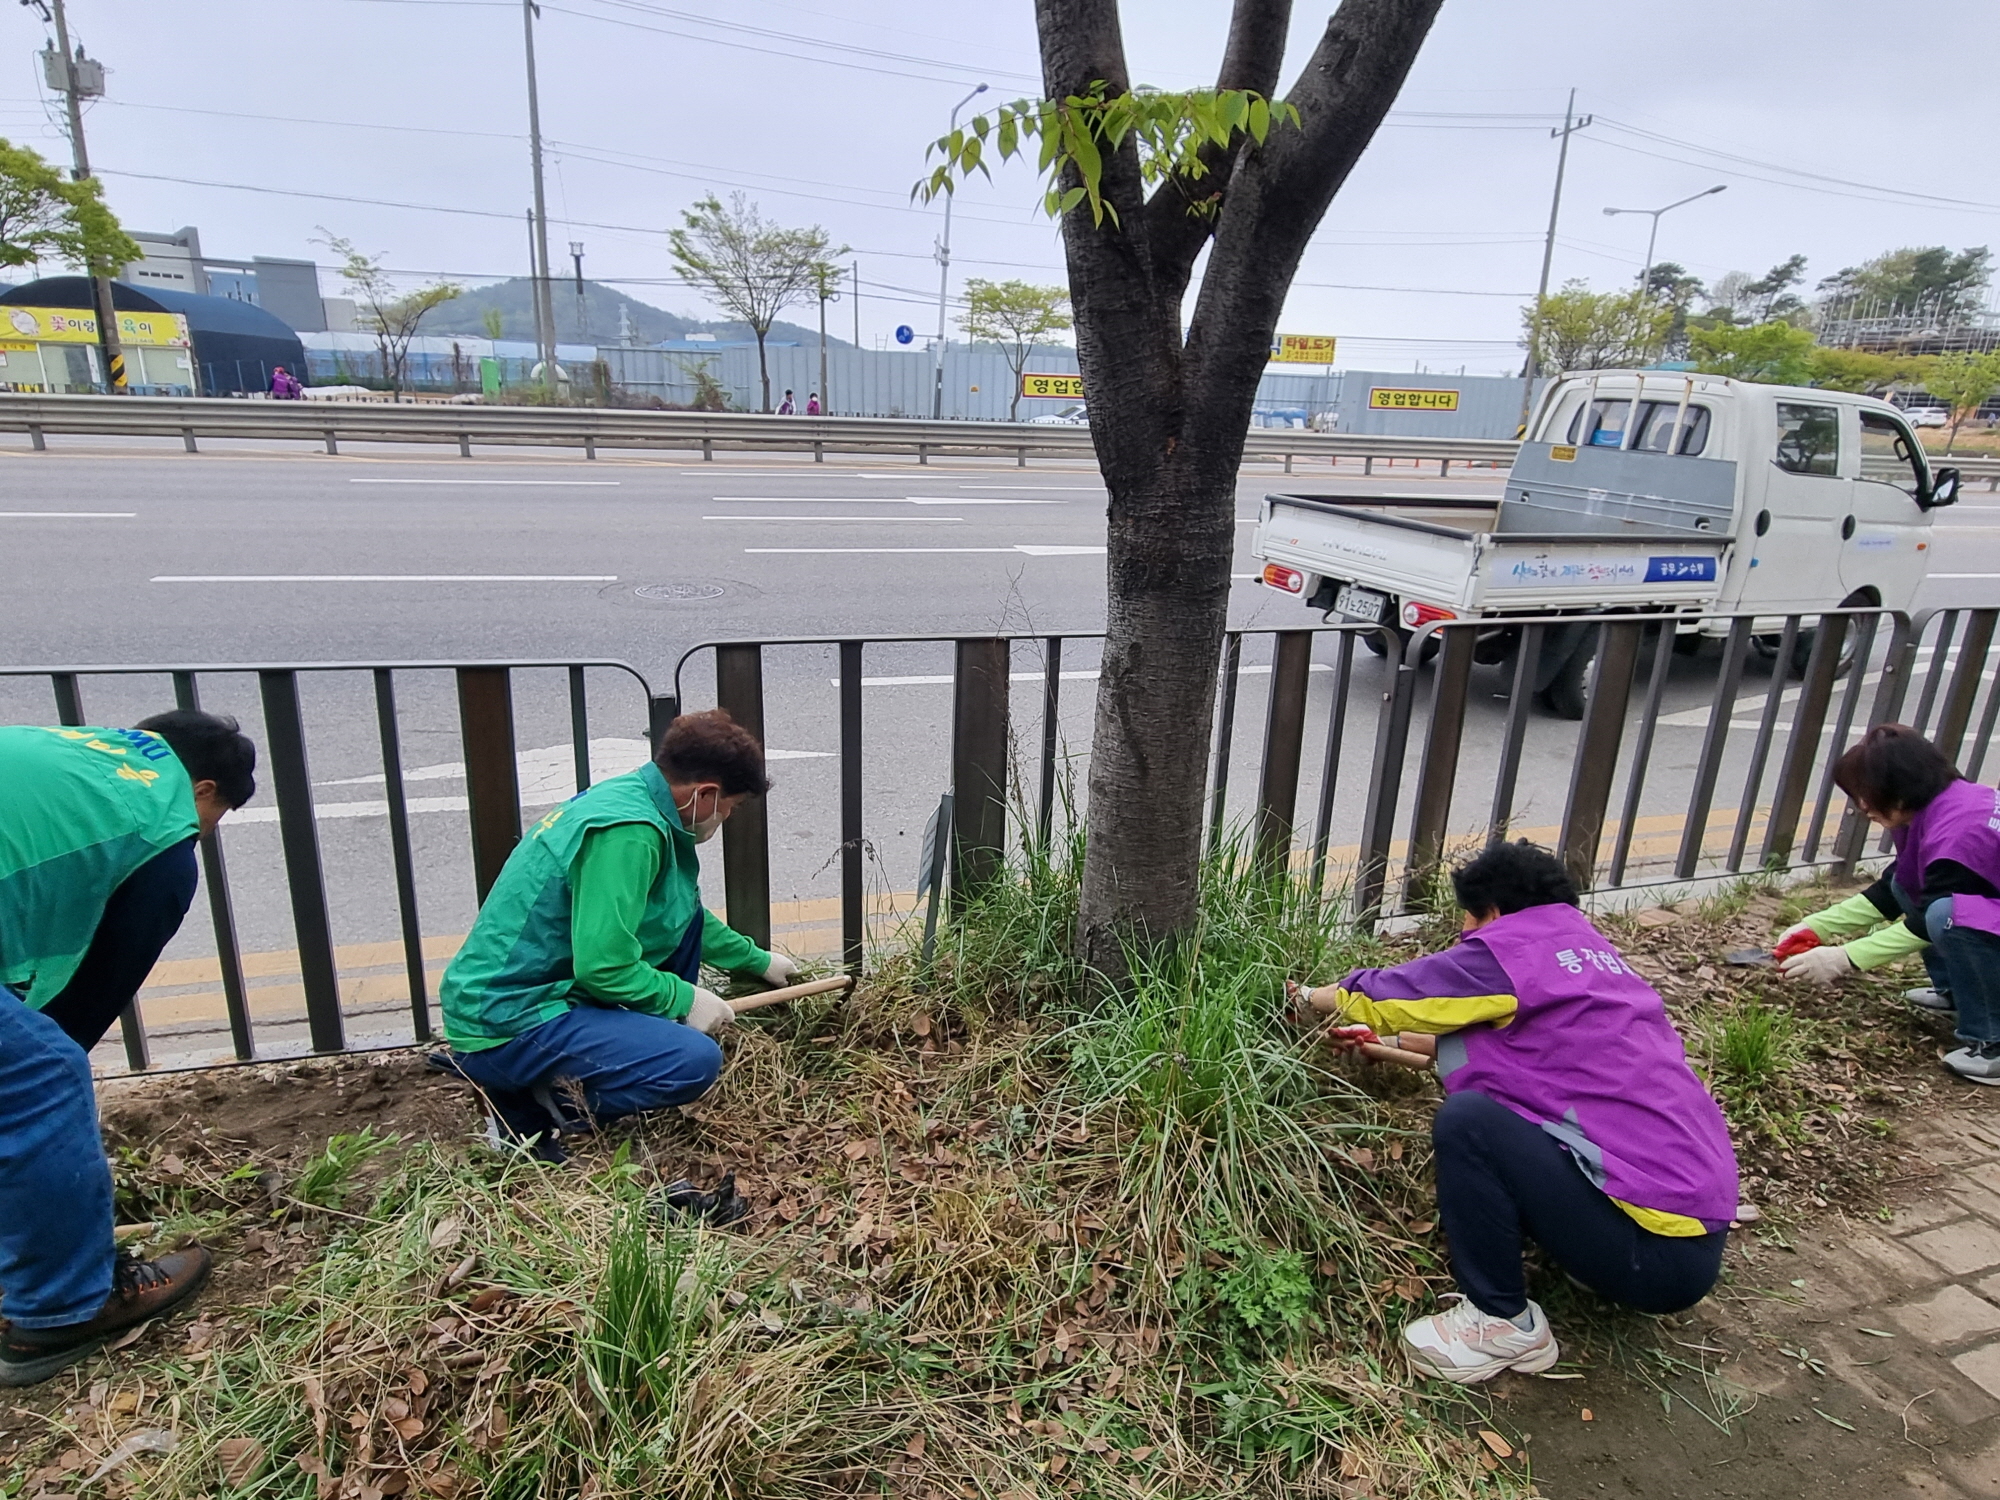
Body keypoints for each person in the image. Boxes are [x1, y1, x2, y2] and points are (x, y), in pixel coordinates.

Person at [1289, 841, 1738, 1384]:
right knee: (1497, 1117)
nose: (1466, 938)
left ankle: (1502, 1322)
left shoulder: (1511, 951)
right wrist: (1378, 1044)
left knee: (1471, 1121)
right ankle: (1585, 1260)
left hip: (1651, 1253)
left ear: (1493, 912)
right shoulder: (1591, 962)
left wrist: (1304, 997)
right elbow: (1511, 1052)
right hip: (1684, 1242)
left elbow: (1392, 994)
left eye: (1468, 924)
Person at [0, 712, 259, 1387]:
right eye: (217, 817)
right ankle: (61, 1309)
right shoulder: (161, 829)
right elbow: (80, 1012)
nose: (204, 834)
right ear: (203, 790)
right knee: (43, 1074)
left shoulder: (81, 756)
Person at [437, 709, 798, 1162]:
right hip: (509, 1017)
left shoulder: (638, 798)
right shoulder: (629, 835)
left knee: (682, 934)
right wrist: (684, 1000)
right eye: (731, 805)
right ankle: (525, 1109)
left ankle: (594, 1059)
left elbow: (676, 914)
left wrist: (757, 961)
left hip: (546, 988)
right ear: (704, 793)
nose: (727, 815)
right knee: (692, 1064)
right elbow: (603, 967)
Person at [1778, 724, 2000, 1085]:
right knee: (1908, 886)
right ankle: (1957, 992)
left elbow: (1926, 923)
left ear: (1899, 790)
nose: (1862, 806)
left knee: (1949, 916)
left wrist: (1843, 958)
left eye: (1866, 795)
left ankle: (1993, 1043)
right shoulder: (1939, 805)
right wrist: (1817, 926)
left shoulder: (1958, 834)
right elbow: (1895, 889)